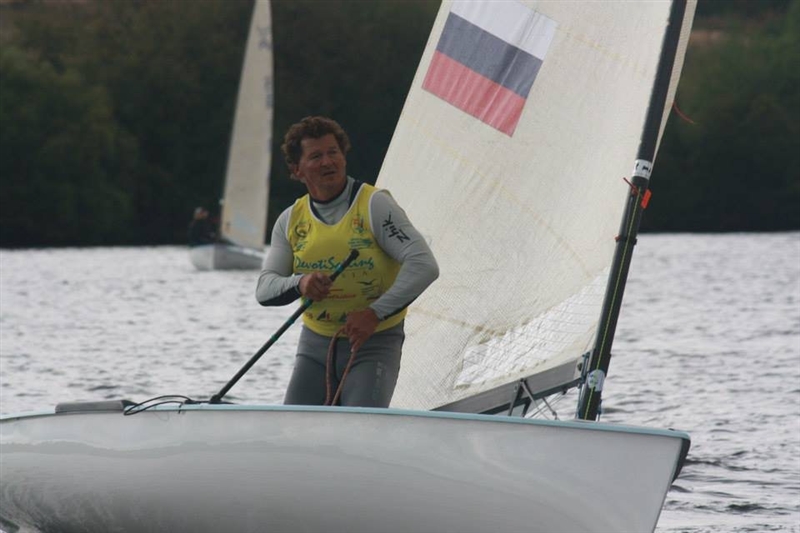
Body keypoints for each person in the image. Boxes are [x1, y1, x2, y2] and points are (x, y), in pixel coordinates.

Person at [256, 116, 439, 407]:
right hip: (315, 347)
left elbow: (423, 264)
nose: (328, 162)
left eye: (333, 152)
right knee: (293, 428)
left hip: (373, 343)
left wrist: (374, 313)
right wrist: (301, 283)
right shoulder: (290, 220)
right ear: (297, 170)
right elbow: (265, 289)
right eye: (316, 156)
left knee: (359, 427)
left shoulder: (375, 205)